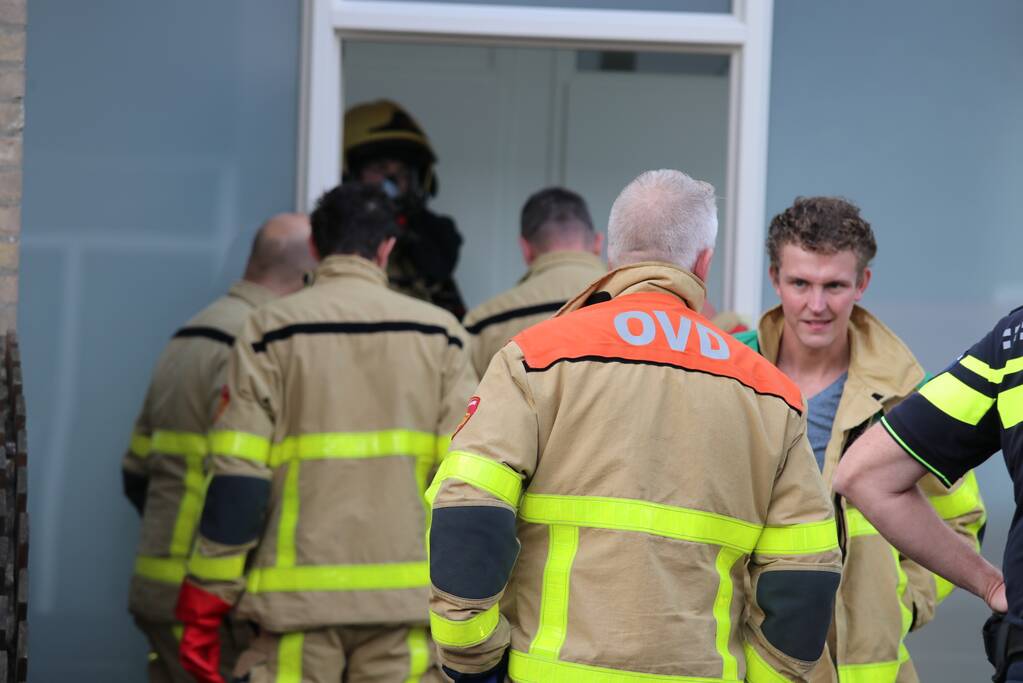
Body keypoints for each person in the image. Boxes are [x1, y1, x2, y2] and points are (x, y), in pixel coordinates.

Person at [427, 169, 842, 682]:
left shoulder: (535, 360)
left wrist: (474, 660)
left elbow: (468, 515)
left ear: (611, 254)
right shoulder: (770, 393)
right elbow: (804, 576)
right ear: (703, 262)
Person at [174, 183, 478, 683]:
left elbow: (238, 479)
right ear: (387, 248)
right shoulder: (441, 335)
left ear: (315, 248)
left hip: (295, 616)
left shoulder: (269, 331)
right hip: (403, 612)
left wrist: (208, 595)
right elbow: (465, 481)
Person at [735, 196, 986, 681]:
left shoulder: (909, 395)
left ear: (862, 284)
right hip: (751, 662)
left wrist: (906, 602)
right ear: (774, 279)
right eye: (800, 283)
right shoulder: (732, 380)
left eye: (834, 285)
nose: (816, 305)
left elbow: (962, 521)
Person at [121, 213, 315, 683]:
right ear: (309, 275)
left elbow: (135, 471)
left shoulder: (190, 333)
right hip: (212, 601)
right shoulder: (259, 344)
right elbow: (245, 483)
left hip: (161, 584)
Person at [833, 308, 1022, 681]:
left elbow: (864, 474)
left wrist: (913, 602)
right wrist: (987, 584)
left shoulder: (1013, 343)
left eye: (833, 286)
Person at [462, 187, 605, 377]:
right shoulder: (637, 302)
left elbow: (468, 403)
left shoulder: (484, 324)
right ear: (598, 242)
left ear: (525, 248)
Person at [344, 99, 467, 318]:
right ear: (350, 173)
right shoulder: (334, 235)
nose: (391, 180)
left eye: (401, 171)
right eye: (379, 168)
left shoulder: (430, 233)